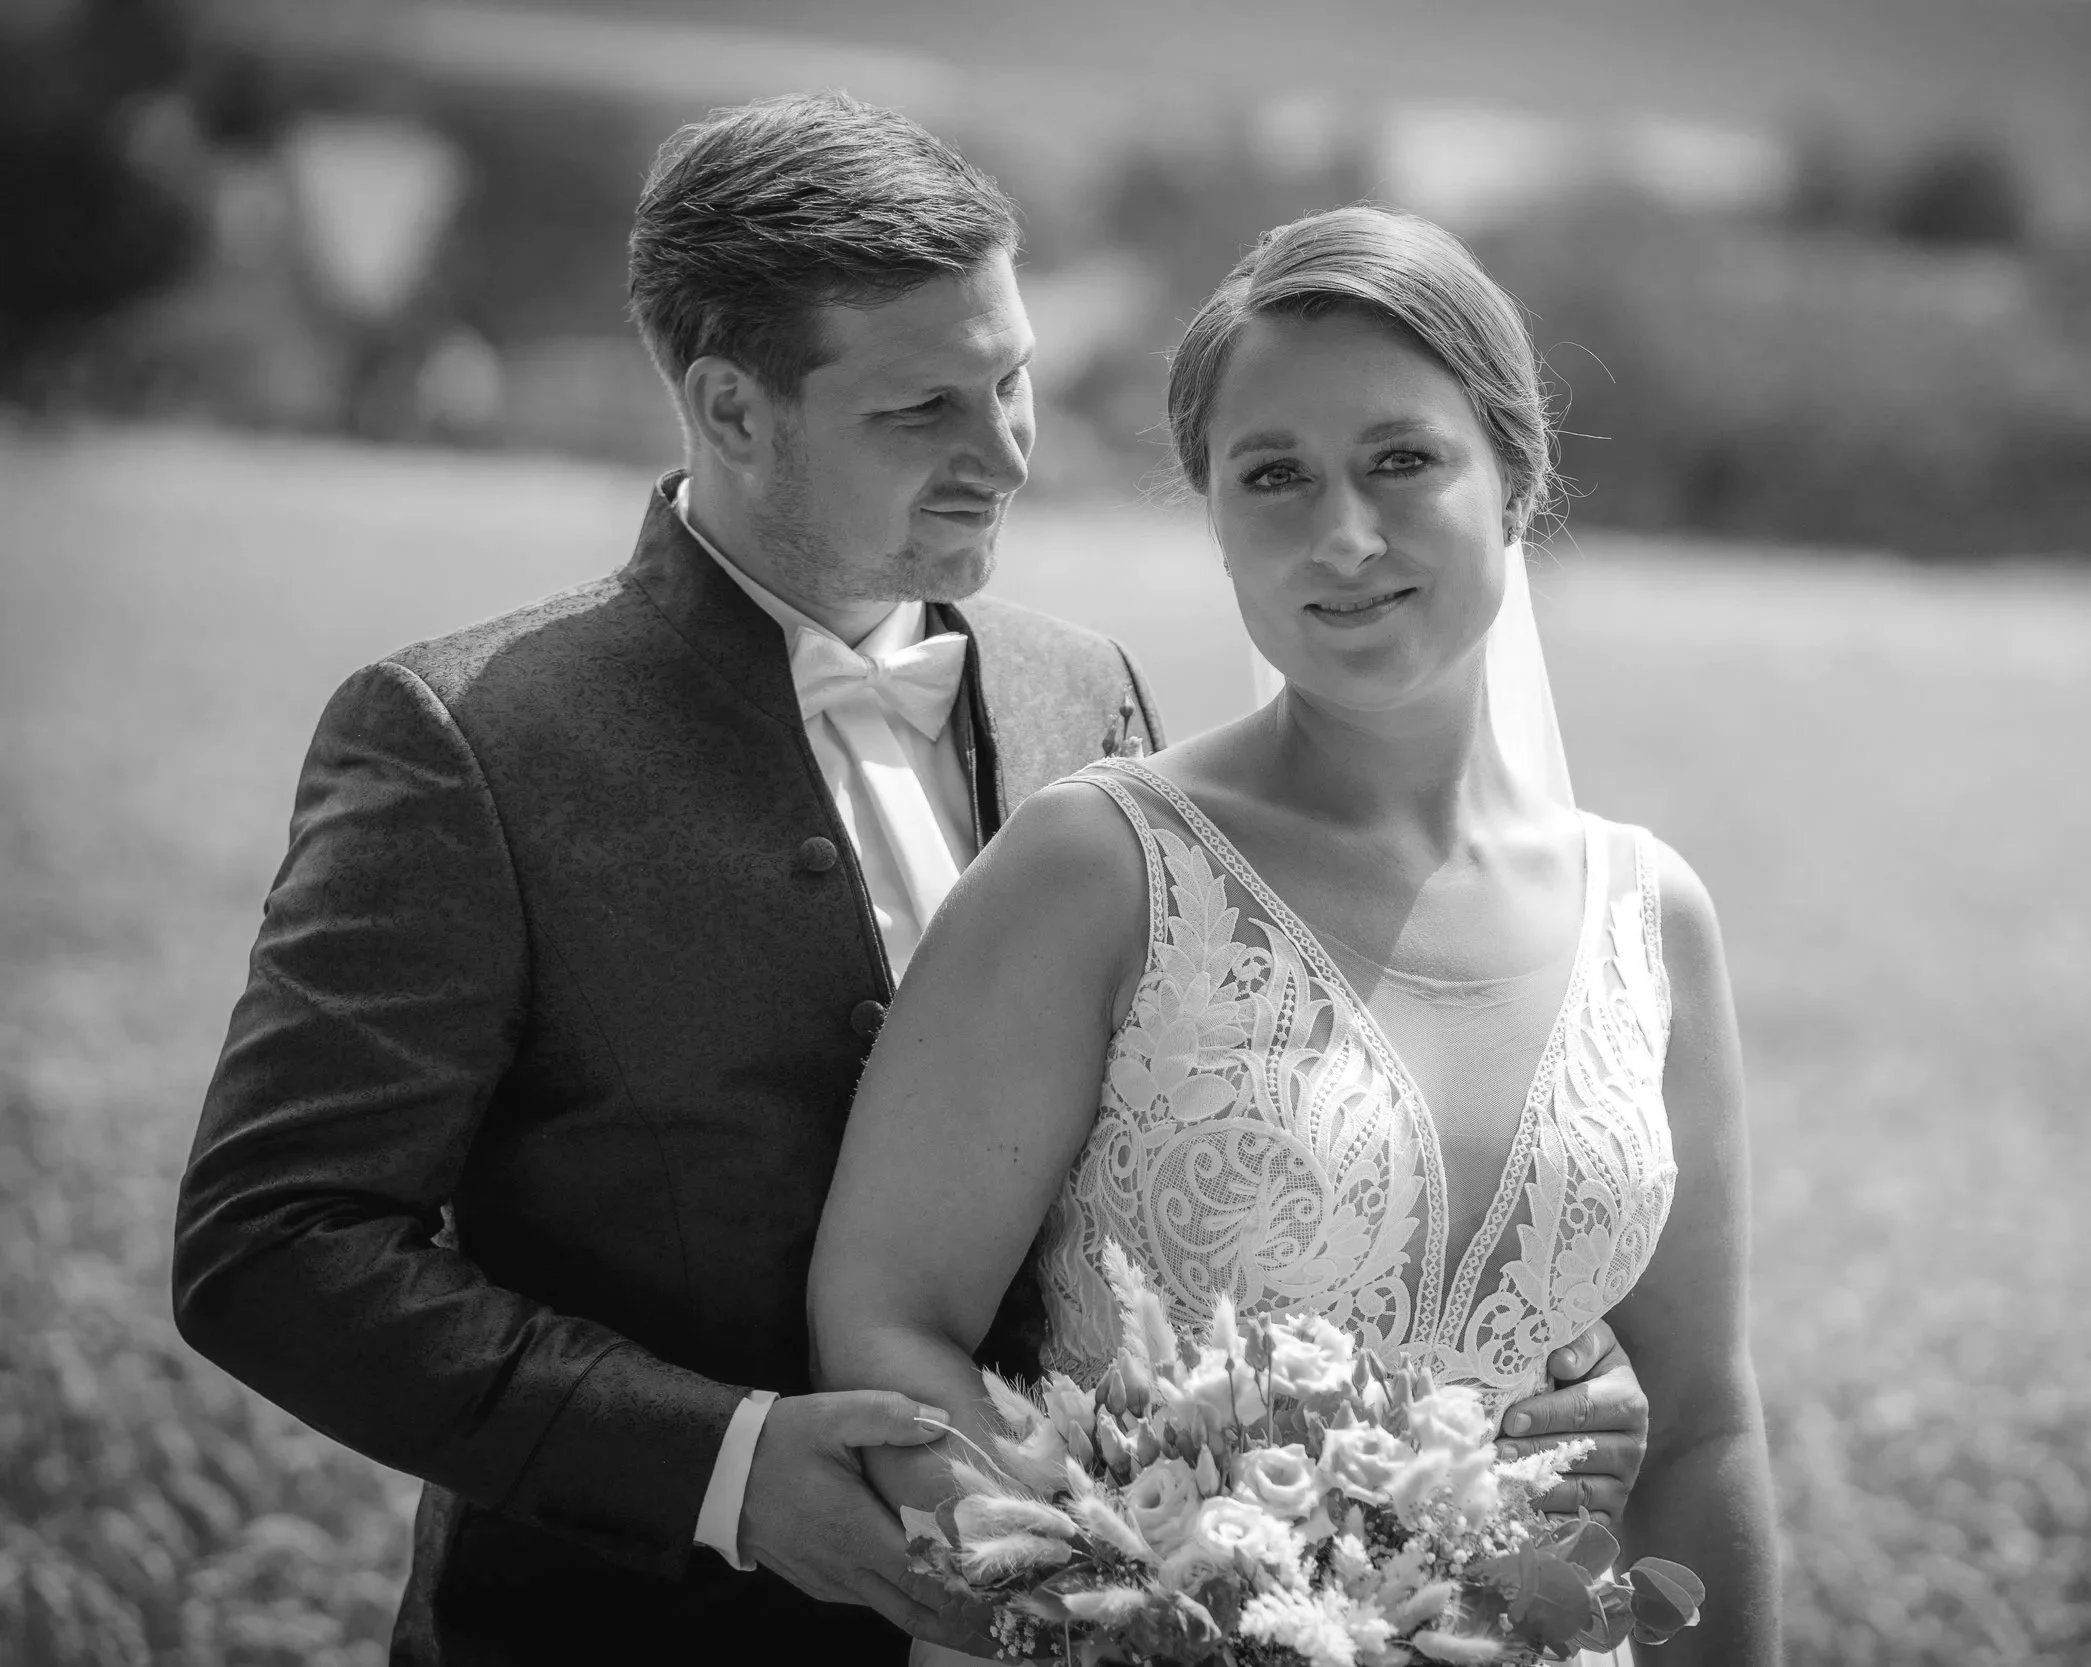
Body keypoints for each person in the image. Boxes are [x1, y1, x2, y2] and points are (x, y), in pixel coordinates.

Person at [170, 97, 1641, 1666]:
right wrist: (722, 1464)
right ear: (732, 411)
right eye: (922, 407)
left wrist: (1498, 1398)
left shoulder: (1090, 694)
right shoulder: (469, 745)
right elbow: (271, 1244)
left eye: (1009, 378)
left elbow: (1232, 1157)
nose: (1006, 451)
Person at [811, 205, 1781, 1665]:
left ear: (1515, 477)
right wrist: (1129, 1603)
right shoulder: (1099, 869)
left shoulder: (1654, 920)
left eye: (1404, 460)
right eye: (1274, 475)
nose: (1343, 534)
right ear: (1213, 519)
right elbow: (887, 1321)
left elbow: (1703, 1428)